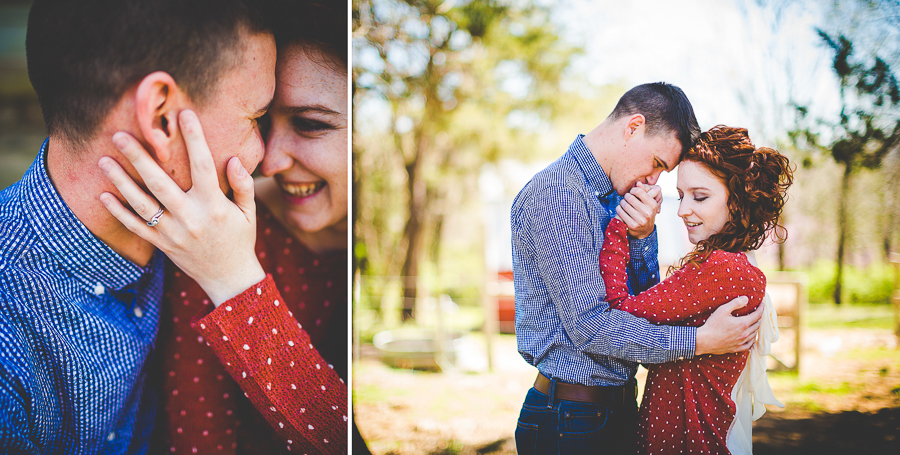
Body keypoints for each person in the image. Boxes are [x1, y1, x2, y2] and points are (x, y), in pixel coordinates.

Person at [0, 0, 274, 452]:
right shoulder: (10, 351)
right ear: (161, 118)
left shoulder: (201, 236)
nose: (267, 156)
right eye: (256, 118)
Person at [98, 1, 349, 453]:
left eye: (311, 125)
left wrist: (236, 282)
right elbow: (199, 435)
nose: (269, 161)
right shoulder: (217, 231)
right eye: (264, 119)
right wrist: (226, 270)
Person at [511, 83, 765, 455]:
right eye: (658, 164)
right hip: (571, 417)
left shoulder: (616, 195)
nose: (652, 181)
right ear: (633, 127)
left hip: (613, 409)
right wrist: (699, 342)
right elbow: (590, 327)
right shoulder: (560, 194)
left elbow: (643, 305)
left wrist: (643, 236)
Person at [599, 125, 789, 454]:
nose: (683, 209)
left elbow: (619, 310)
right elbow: (654, 328)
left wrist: (621, 228)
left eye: (699, 196)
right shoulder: (740, 266)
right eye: (682, 195)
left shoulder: (718, 270)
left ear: (737, 200)